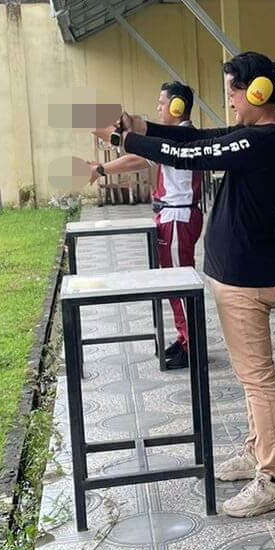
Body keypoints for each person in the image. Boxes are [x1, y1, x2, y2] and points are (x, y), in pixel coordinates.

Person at [95, 51, 275, 519]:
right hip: (239, 272)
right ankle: (257, 450)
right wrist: (146, 127)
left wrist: (122, 138)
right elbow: (203, 138)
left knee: (258, 378)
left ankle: (274, 476)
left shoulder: (262, 141)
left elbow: (190, 152)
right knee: (252, 378)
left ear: (259, 91)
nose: (228, 99)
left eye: (233, 89)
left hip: (246, 277)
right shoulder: (260, 137)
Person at [89, 81, 203, 371]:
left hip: (177, 218)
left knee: (179, 285)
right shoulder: (176, 137)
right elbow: (140, 159)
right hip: (174, 217)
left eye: (162, 104)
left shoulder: (181, 137)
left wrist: (102, 161)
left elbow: (136, 157)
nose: (158, 108)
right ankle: (185, 337)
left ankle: (193, 345)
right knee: (173, 284)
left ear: (178, 107)